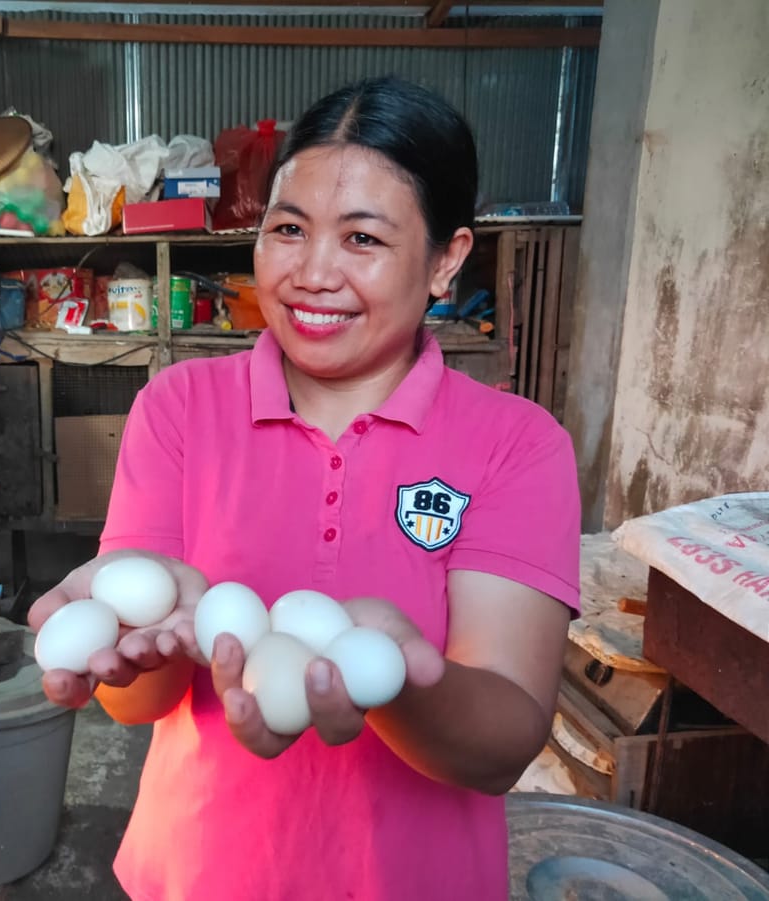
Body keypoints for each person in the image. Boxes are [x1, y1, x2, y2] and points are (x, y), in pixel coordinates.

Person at [29, 75, 580, 900]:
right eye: (289, 229)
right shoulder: (179, 408)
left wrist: (390, 673)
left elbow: (502, 743)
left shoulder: (517, 445)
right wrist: (131, 625)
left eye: (362, 239)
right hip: (203, 872)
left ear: (446, 260)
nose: (313, 273)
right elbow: (138, 703)